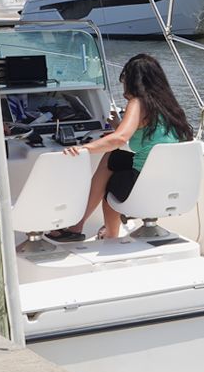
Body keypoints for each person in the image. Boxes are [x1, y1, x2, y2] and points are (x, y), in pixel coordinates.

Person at [50, 55, 195, 242]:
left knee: (112, 176)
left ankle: (105, 233)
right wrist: (119, 124)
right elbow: (149, 135)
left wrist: (84, 148)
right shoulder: (169, 105)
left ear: (133, 80)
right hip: (177, 183)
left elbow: (120, 138)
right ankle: (79, 226)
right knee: (113, 158)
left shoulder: (138, 102)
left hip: (145, 185)